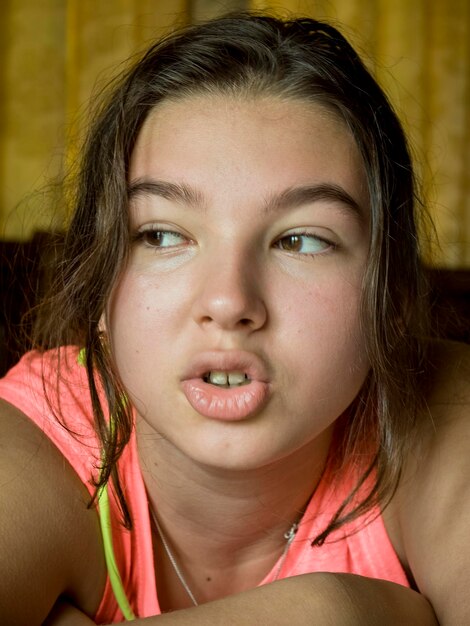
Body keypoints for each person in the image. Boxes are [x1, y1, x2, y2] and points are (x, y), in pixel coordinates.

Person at [0, 11, 468, 625]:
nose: (228, 302)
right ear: (99, 287)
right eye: (163, 234)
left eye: (301, 241)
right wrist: (334, 610)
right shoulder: (45, 439)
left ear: (390, 297)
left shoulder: (439, 413)